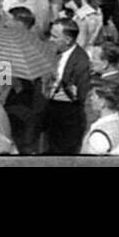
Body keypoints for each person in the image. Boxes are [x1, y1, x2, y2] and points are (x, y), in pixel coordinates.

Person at [45, 16, 92, 154]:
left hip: (66, 115)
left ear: (67, 40)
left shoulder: (81, 61)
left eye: (54, 36)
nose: (50, 40)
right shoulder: (47, 50)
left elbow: (83, 97)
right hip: (46, 108)